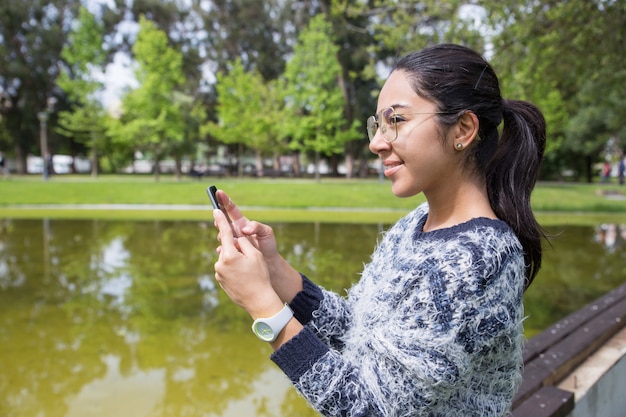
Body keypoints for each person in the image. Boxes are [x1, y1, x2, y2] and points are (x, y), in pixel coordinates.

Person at [212, 43, 547, 416]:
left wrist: (265, 308)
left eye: (396, 121)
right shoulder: (418, 223)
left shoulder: (476, 260)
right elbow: (357, 332)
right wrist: (273, 269)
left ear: (464, 129)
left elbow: (369, 409)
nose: (376, 142)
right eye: (378, 124)